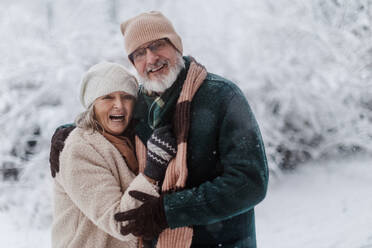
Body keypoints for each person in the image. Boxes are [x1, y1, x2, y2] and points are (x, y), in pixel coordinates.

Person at [50, 11, 269, 248]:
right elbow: (108, 121)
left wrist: (169, 211)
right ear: (134, 64)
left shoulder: (222, 97)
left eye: (157, 45)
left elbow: (250, 182)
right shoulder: (142, 105)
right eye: (140, 53)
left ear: (176, 46)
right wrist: (70, 131)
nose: (151, 58)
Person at [51, 61, 177, 248]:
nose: (119, 105)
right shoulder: (79, 150)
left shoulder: (133, 141)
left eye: (126, 97)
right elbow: (121, 222)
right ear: (92, 105)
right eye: (107, 97)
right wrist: (152, 172)